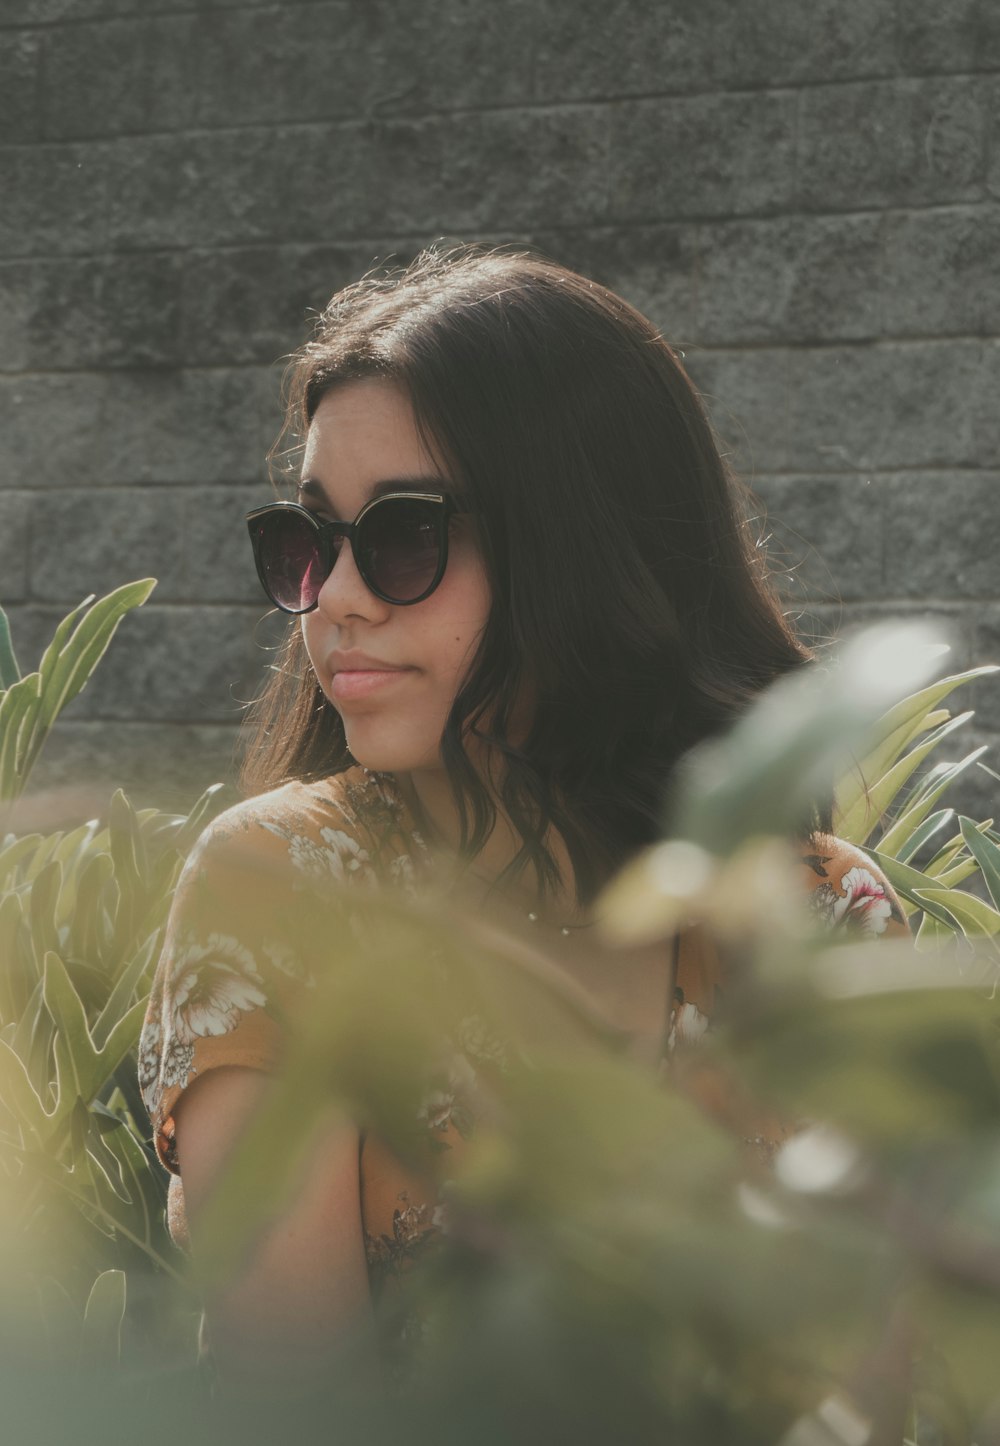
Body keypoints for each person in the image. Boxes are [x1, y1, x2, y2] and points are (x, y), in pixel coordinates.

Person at [138, 243, 909, 1394]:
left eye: (404, 535)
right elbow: (291, 1406)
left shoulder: (816, 921)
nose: (335, 597)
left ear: (582, 551)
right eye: (306, 541)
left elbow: (861, 1388)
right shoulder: (283, 892)